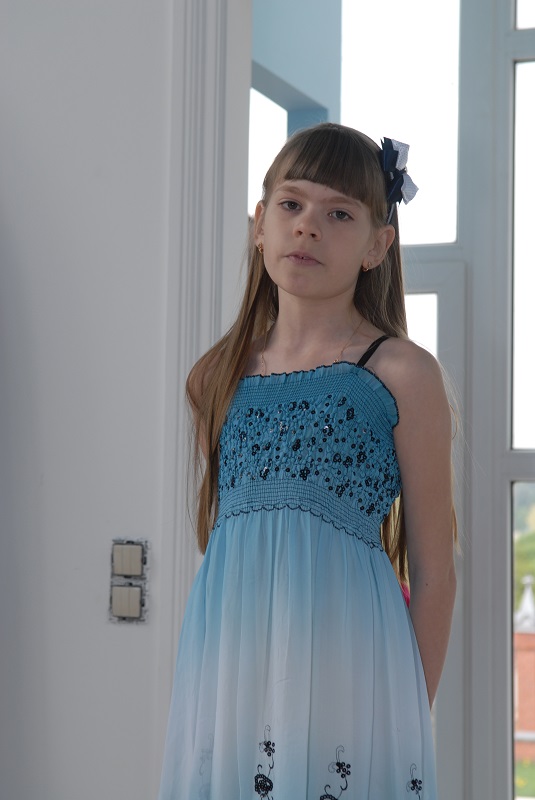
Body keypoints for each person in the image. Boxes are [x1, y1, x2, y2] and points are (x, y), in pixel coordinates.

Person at [158, 123, 457, 799]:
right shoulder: (214, 376)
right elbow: (235, 544)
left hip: (348, 676)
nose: (308, 226)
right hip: (231, 677)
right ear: (259, 225)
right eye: (291, 205)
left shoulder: (402, 373)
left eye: (339, 214)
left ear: (378, 245)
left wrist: (405, 718)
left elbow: (435, 574)